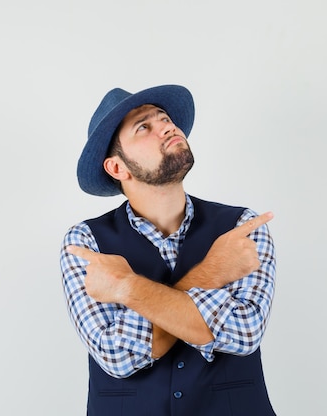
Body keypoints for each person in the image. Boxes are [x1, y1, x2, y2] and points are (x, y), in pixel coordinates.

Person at [60, 85, 277, 415]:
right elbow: (118, 356)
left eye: (165, 118)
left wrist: (126, 288)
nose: (167, 126)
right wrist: (213, 271)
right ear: (118, 168)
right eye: (144, 127)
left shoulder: (242, 226)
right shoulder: (84, 243)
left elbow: (242, 333)